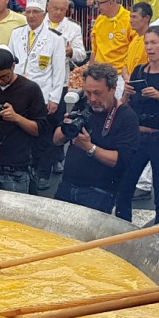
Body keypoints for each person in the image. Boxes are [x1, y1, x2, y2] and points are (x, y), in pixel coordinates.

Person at [116, 26, 159, 223]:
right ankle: (122, 233)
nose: (149, 47)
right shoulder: (139, 70)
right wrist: (127, 93)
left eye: (154, 42)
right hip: (137, 138)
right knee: (124, 189)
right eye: (147, 43)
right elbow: (124, 106)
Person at [52, 62, 138, 212]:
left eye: (98, 93)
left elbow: (121, 160)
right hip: (67, 185)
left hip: (99, 191)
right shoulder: (83, 105)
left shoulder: (126, 117)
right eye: (88, 92)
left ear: (113, 89)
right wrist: (67, 127)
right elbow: (56, 140)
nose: (92, 99)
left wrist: (89, 148)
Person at [8, 0, 66, 190]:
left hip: (43, 92)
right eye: (28, 12)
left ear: (44, 14)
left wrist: (55, 98)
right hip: (20, 92)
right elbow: (11, 63)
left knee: (44, 136)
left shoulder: (55, 38)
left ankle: (43, 172)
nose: (31, 16)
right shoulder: (17, 34)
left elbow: (58, 71)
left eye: (35, 12)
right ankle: (25, 169)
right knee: (21, 134)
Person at [0, 47, 49, 193]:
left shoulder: (30, 89)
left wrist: (16, 118)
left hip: (17, 166)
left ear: (13, 66)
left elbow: (40, 130)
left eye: (4, 77)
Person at [89, 0, 133, 74]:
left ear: (111, 2)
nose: (97, 6)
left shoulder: (130, 20)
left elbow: (134, 50)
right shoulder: (99, 20)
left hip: (120, 75)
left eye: (99, 3)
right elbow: (94, 49)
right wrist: (90, 71)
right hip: (99, 74)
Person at [123, 2, 153, 77]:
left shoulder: (152, 41)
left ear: (146, 18)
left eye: (134, 17)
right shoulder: (133, 41)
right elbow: (125, 66)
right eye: (130, 17)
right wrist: (128, 80)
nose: (130, 20)